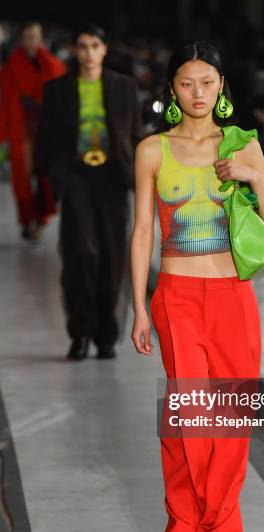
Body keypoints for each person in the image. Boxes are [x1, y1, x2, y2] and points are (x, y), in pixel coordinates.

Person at [130, 41, 264, 532]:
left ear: (222, 87)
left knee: (230, 427)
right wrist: (138, 308)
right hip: (175, 296)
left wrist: (254, 178)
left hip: (233, 299)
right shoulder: (152, 149)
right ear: (171, 88)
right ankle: (186, 530)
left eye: (208, 82)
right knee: (190, 423)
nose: (198, 93)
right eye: (187, 83)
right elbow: (143, 230)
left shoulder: (244, 145)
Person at [35, 23, 143, 360]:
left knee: (112, 256)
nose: (89, 53)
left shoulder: (125, 87)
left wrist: (142, 175)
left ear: (104, 49)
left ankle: (106, 335)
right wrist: (55, 177)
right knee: (79, 252)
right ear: (74, 50)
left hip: (113, 176)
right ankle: (80, 332)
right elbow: (46, 138)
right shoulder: (57, 89)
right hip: (77, 176)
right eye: (82, 46)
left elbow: (137, 135)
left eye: (95, 45)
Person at [0, 22, 66, 239]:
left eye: (34, 37)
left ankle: (40, 220)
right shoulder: (11, 67)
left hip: (46, 129)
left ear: (40, 38)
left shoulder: (53, 66)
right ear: (20, 40)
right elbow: (5, 101)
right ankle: (28, 220)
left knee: (45, 177)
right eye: (26, 37)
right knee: (23, 178)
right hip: (22, 129)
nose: (30, 42)